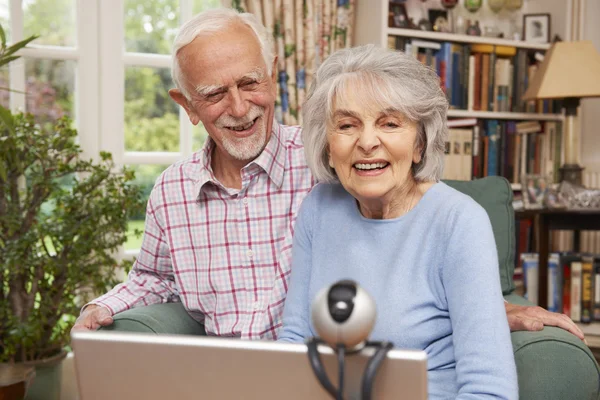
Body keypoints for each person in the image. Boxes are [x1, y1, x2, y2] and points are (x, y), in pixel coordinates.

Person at [71, 8, 585, 343]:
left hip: (323, 373)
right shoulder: (173, 191)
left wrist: (485, 306)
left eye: (251, 82)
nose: (239, 107)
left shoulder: (334, 161)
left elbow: (413, 234)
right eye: (213, 94)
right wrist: (102, 305)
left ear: (273, 72)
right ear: (186, 104)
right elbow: (153, 277)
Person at [277, 44, 517, 398]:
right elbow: (295, 340)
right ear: (328, 145)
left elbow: (490, 389)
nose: (367, 142)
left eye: (389, 123)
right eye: (347, 125)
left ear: (420, 143)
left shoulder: (459, 222)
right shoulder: (319, 207)